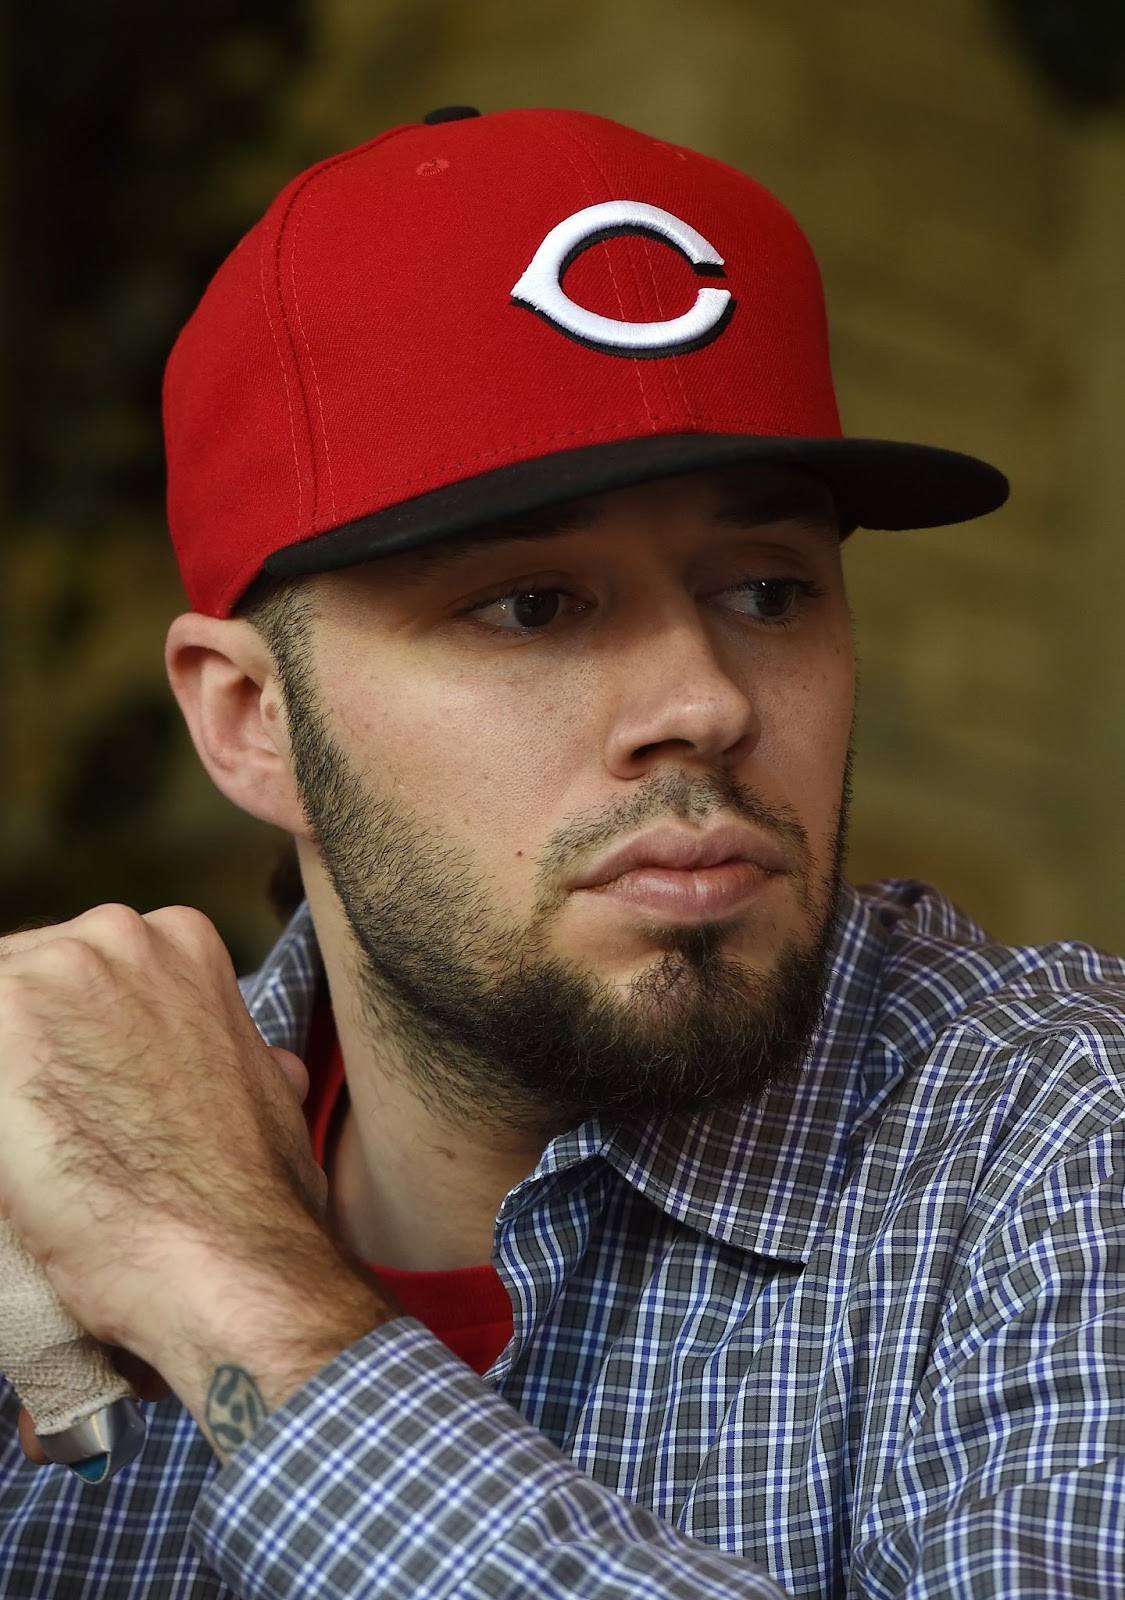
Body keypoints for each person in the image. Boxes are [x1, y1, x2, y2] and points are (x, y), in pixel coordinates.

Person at [1, 104, 1123, 1600]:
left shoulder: (1058, 1138)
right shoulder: (32, 1146)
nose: (707, 703)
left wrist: (232, 1286)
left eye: (769, 590)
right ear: (252, 720)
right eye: (531, 604)